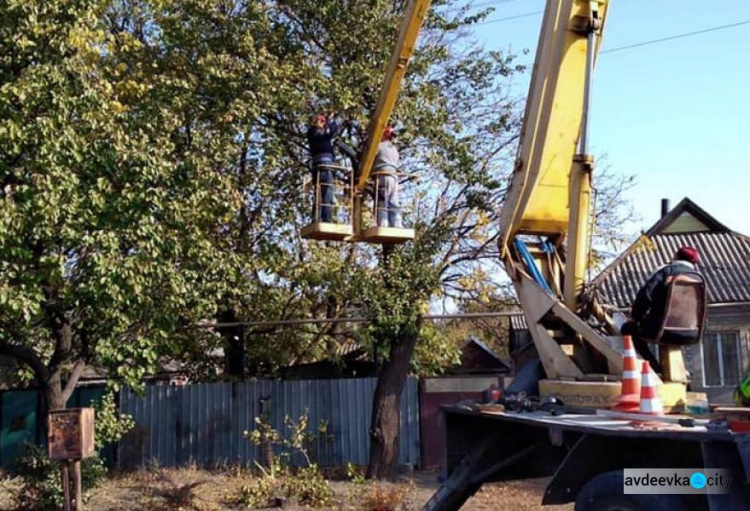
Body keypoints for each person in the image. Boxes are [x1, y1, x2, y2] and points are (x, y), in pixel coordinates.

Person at [621, 246, 703, 373]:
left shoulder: (666, 272)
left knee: (628, 329)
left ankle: (653, 368)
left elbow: (645, 296)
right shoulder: (699, 278)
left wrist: (636, 317)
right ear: (694, 262)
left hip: (661, 331)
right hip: (692, 333)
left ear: (676, 256)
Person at [307, 112, 341, 223]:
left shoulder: (316, 134)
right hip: (324, 166)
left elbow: (334, 131)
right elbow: (332, 133)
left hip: (319, 166)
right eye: (321, 121)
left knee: (319, 192)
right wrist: (330, 121)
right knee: (327, 192)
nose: (322, 124)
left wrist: (330, 121)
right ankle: (326, 218)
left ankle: (316, 218)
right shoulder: (316, 133)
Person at [373, 126, 403, 228]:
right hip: (394, 177)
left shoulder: (379, 146)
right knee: (394, 201)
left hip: (382, 176)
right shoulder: (394, 149)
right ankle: (397, 225)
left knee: (382, 201)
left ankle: (383, 225)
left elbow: (371, 159)